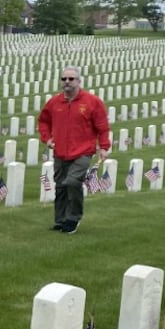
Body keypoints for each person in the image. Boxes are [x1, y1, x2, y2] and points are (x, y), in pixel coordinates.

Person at [37, 65, 110, 235]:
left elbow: (102, 126)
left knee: (72, 182)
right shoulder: (55, 102)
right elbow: (43, 120)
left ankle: (73, 218)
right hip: (60, 150)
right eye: (64, 79)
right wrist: (46, 138)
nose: (67, 82)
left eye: (71, 79)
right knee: (61, 186)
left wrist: (104, 147)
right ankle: (60, 219)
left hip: (83, 151)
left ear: (78, 81)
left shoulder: (92, 102)